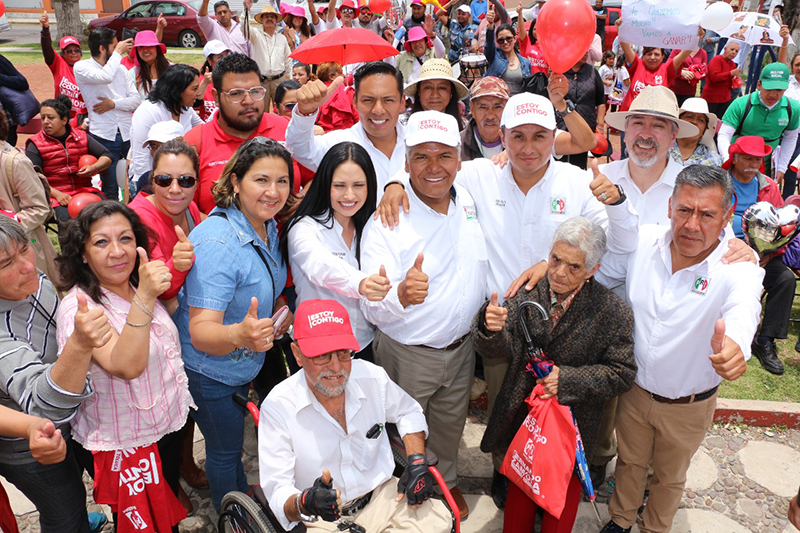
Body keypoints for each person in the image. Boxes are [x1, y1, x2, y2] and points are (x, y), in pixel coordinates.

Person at [378, 94, 639, 509]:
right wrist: (394, 183)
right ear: (501, 136)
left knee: (569, 409)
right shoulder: (480, 175)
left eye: (539, 136)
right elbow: (430, 165)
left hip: (568, 322)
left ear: (555, 138)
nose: (528, 148)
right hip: (505, 325)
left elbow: (619, 243)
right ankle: (507, 476)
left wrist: (615, 208)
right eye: (518, 136)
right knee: (507, 411)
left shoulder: (576, 182)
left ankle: (566, 479)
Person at [596, 164, 763, 533]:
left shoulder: (736, 267)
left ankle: (655, 527)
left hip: (689, 405)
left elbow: (745, 304)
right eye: (684, 210)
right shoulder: (644, 243)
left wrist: (736, 344)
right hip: (635, 392)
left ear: (727, 218)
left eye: (707, 215)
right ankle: (621, 520)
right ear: (669, 206)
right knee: (629, 462)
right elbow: (604, 258)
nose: (692, 225)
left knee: (670, 477)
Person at [360, 110, 489, 520]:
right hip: (408, 353)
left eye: (444, 156)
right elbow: (370, 303)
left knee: (450, 424)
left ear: (459, 159)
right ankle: (404, 490)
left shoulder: (466, 198)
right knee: (402, 430)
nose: (434, 167)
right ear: (406, 161)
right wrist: (400, 293)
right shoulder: (387, 219)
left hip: (462, 348)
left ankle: (445, 480)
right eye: (421, 157)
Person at [474, 216, 636, 533]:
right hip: (525, 425)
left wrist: (568, 380)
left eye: (574, 267)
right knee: (518, 510)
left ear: (592, 270)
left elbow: (622, 373)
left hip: (572, 432)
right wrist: (489, 327)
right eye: (555, 259)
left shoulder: (612, 312)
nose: (559, 272)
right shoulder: (528, 294)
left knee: (558, 514)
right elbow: (499, 348)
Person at [172, 138, 293, 511]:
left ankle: (243, 500)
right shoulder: (218, 243)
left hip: (241, 363)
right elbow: (201, 332)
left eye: (282, 181)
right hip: (210, 372)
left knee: (232, 445)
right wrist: (240, 334)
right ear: (236, 182)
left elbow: (264, 283)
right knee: (225, 451)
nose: (273, 191)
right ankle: (235, 515)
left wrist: (280, 308)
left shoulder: (266, 225)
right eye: (261, 180)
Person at [55, 201, 192, 532]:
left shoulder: (134, 285)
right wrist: (146, 296)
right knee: (139, 524)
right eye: (101, 242)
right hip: (124, 444)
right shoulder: (80, 308)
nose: (117, 251)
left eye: (126, 238)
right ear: (83, 253)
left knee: (164, 516)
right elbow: (126, 365)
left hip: (164, 429)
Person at [259, 298, 452, 532]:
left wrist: (417, 460)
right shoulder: (278, 407)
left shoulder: (372, 378)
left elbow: (408, 411)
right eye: (322, 355)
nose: (336, 367)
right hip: (322, 520)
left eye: (343, 353)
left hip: (383, 497)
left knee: (441, 521)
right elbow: (278, 491)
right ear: (297, 355)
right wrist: (306, 502)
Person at [0, 215, 101, 533]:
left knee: (80, 495)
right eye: (5, 263)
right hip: (28, 447)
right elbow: (44, 408)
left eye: (24, 249)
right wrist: (80, 344)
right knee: (64, 514)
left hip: (74, 422)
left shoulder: (30, 280)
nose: (27, 266)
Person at [284, 142, 388, 362]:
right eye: (339, 185)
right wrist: (361, 283)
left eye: (358, 185)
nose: (349, 195)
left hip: (364, 345)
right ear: (324, 184)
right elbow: (319, 265)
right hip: (317, 351)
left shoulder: (372, 227)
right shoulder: (303, 228)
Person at [183, 53, 298, 214]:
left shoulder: (287, 128)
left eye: (255, 91)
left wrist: (303, 201)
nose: (248, 101)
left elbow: (317, 177)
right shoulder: (195, 142)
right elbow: (185, 209)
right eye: (236, 93)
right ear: (216, 97)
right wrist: (226, 227)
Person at [723, 136, 793, 376]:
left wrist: (769, 253)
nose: (753, 164)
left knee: (785, 280)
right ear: (735, 158)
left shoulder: (768, 186)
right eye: (748, 158)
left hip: (761, 252)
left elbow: (781, 225)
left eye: (757, 159)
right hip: (725, 249)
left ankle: (765, 340)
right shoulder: (720, 181)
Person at [287, 62, 407, 191]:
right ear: (355, 101)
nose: (378, 110)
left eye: (388, 100)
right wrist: (305, 113)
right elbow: (299, 148)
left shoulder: (417, 142)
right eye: (368, 100)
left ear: (402, 102)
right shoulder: (339, 145)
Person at [602, 86, 699, 225]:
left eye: (658, 126)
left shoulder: (694, 189)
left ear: (673, 136)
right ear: (626, 130)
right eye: (638, 123)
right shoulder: (601, 177)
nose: (645, 134)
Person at [128, 138, 201, 302]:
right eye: (164, 180)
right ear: (152, 182)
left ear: (196, 184)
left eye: (185, 181)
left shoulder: (191, 208)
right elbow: (161, 291)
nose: (175, 189)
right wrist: (177, 266)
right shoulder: (137, 219)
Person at [24, 96, 111, 229]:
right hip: (54, 196)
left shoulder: (81, 136)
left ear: (64, 120)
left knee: (108, 213)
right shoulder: (35, 144)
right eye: (43, 118)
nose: (46, 122)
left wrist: (93, 168)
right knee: (68, 223)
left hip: (85, 190)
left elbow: (107, 156)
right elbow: (33, 178)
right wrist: (57, 194)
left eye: (50, 118)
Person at [74, 27, 138, 202]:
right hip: (104, 136)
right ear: (102, 48)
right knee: (110, 188)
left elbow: (135, 101)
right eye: (114, 45)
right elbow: (105, 76)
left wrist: (113, 104)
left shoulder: (122, 70)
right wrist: (118, 53)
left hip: (128, 133)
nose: (119, 49)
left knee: (136, 182)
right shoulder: (82, 67)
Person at [718, 63, 800, 181]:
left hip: (768, 163)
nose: (773, 94)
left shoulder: (793, 108)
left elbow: (790, 137)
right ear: (759, 85)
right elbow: (724, 134)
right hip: (738, 161)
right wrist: (728, 160)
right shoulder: (741, 104)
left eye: (778, 90)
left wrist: (782, 168)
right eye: (768, 89)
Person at [129, 64, 204, 185]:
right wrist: (147, 188)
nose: (199, 93)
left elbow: (205, 131)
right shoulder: (148, 111)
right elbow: (140, 158)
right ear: (178, 90)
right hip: (150, 181)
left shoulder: (185, 109)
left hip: (177, 177)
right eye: (194, 89)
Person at [617, 23, 692, 112]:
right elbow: (626, 48)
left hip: (656, 116)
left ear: (663, 56)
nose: (652, 57)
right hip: (631, 115)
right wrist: (621, 29)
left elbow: (684, 54)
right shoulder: (637, 64)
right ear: (643, 55)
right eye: (649, 54)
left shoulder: (667, 69)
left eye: (657, 54)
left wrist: (695, 37)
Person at [558, 50, 605, 169]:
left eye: (587, 51)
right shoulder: (560, 71)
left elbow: (600, 101)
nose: (585, 54)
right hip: (562, 125)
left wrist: (600, 125)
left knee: (578, 165)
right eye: (582, 51)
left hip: (584, 126)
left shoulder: (592, 72)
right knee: (559, 163)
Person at [242, 0, 292, 110]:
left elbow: (288, 59)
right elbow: (245, 28)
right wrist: (246, 10)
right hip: (261, 81)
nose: (269, 19)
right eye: (266, 16)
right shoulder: (256, 35)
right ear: (262, 20)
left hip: (279, 80)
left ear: (276, 20)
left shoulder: (282, 38)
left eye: (272, 17)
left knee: (281, 110)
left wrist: (291, 78)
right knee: (261, 110)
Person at [39, 11, 86, 125]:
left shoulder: (86, 68)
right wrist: (45, 28)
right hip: (62, 117)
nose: (73, 53)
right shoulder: (58, 64)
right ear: (62, 54)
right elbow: (47, 48)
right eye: (69, 51)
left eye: (76, 50)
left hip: (82, 118)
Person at [404, 59, 469, 129]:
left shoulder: (465, 128)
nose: (435, 95)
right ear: (419, 92)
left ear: (451, 92)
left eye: (442, 88)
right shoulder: (404, 126)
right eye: (428, 87)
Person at [485, 11, 531, 96]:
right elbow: (489, 44)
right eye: (501, 40)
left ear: (514, 39)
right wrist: (490, 25)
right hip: (498, 100)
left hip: (518, 102)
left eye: (509, 38)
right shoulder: (494, 56)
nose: (505, 42)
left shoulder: (525, 62)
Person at [778, 24, 800, 198]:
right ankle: (777, 199)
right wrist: (785, 41)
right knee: (781, 170)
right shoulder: (786, 82)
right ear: (792, 67)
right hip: (785, 131)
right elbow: (780, 65)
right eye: (797, 64)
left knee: (793, 173)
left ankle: (790, 202)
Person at [669, 97, 722, 167]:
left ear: (705, 129)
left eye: (700, 120)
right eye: (689, 116)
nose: (694, 122)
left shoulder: (713, 160)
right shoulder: (662, 147)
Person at [701, 39, 741, 119]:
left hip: (725, 98)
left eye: (736, 51)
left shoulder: (733, 64)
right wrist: (730, 73)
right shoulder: (716, 60)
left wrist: (736, 79)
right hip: (712, 98)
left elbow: (730, 82)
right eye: (732, 49)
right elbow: (714, 77)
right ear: (725, 49)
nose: (734, 52)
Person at [127, 30, 172, 100]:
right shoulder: (133, 74)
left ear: (157, 48)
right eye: (141, 47)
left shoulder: (172, 71)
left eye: (150, 46)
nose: (145, 50)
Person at [667, 31, 708, 106]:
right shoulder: (678, 49)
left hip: (690, 91)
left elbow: (705, 72)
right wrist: (681, 72)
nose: (697, 37)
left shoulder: (703, 53)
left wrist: (696, 74)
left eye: (700, 35)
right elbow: (668, 65)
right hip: (674, 89)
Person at [197, 40, 231, 122]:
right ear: (209, 60)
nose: (225, 61)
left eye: (226, 56)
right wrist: (205, 83)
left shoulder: (235, 79)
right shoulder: (200, 80)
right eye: (220, 57)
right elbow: (194, 104)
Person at [516, 6, 548, 76]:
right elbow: (521, 27)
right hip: (527, 79)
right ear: (531, 30)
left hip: (543, 81)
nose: (537, 31)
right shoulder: (526, 41)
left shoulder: (549, 46)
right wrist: (520, 14)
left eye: (540, 29)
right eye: (535, 29)